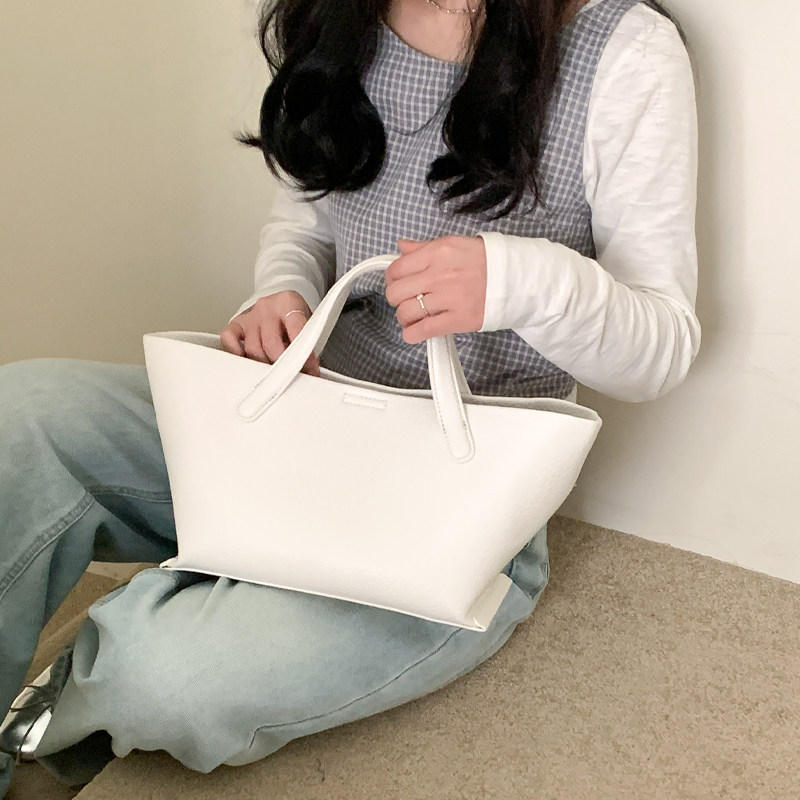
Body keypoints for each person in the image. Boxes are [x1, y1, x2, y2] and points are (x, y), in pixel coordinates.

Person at [0, 0, 700, 793]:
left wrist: (520, 282)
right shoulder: (340, 16)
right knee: (20, 417)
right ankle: (224, 580)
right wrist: (282, 296)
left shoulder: (625, 55)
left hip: (458, 502)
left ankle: (87, 684)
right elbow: (305, 217)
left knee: (163, 677)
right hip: (300, 415)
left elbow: (661, 349)